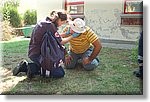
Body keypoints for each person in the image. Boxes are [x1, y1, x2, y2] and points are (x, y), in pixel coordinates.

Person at [13, 10, 79, 78]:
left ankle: (31, 66)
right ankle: (28, 67)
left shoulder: (45, 21)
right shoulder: (50, 26)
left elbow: (55, 36)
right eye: (62, 23)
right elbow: (61, 41)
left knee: (57, 70)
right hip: (40, 55)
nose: (61, 25)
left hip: (34, 52)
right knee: (60, 73)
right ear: (59, 20)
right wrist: (72, 36)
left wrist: (66, 34)